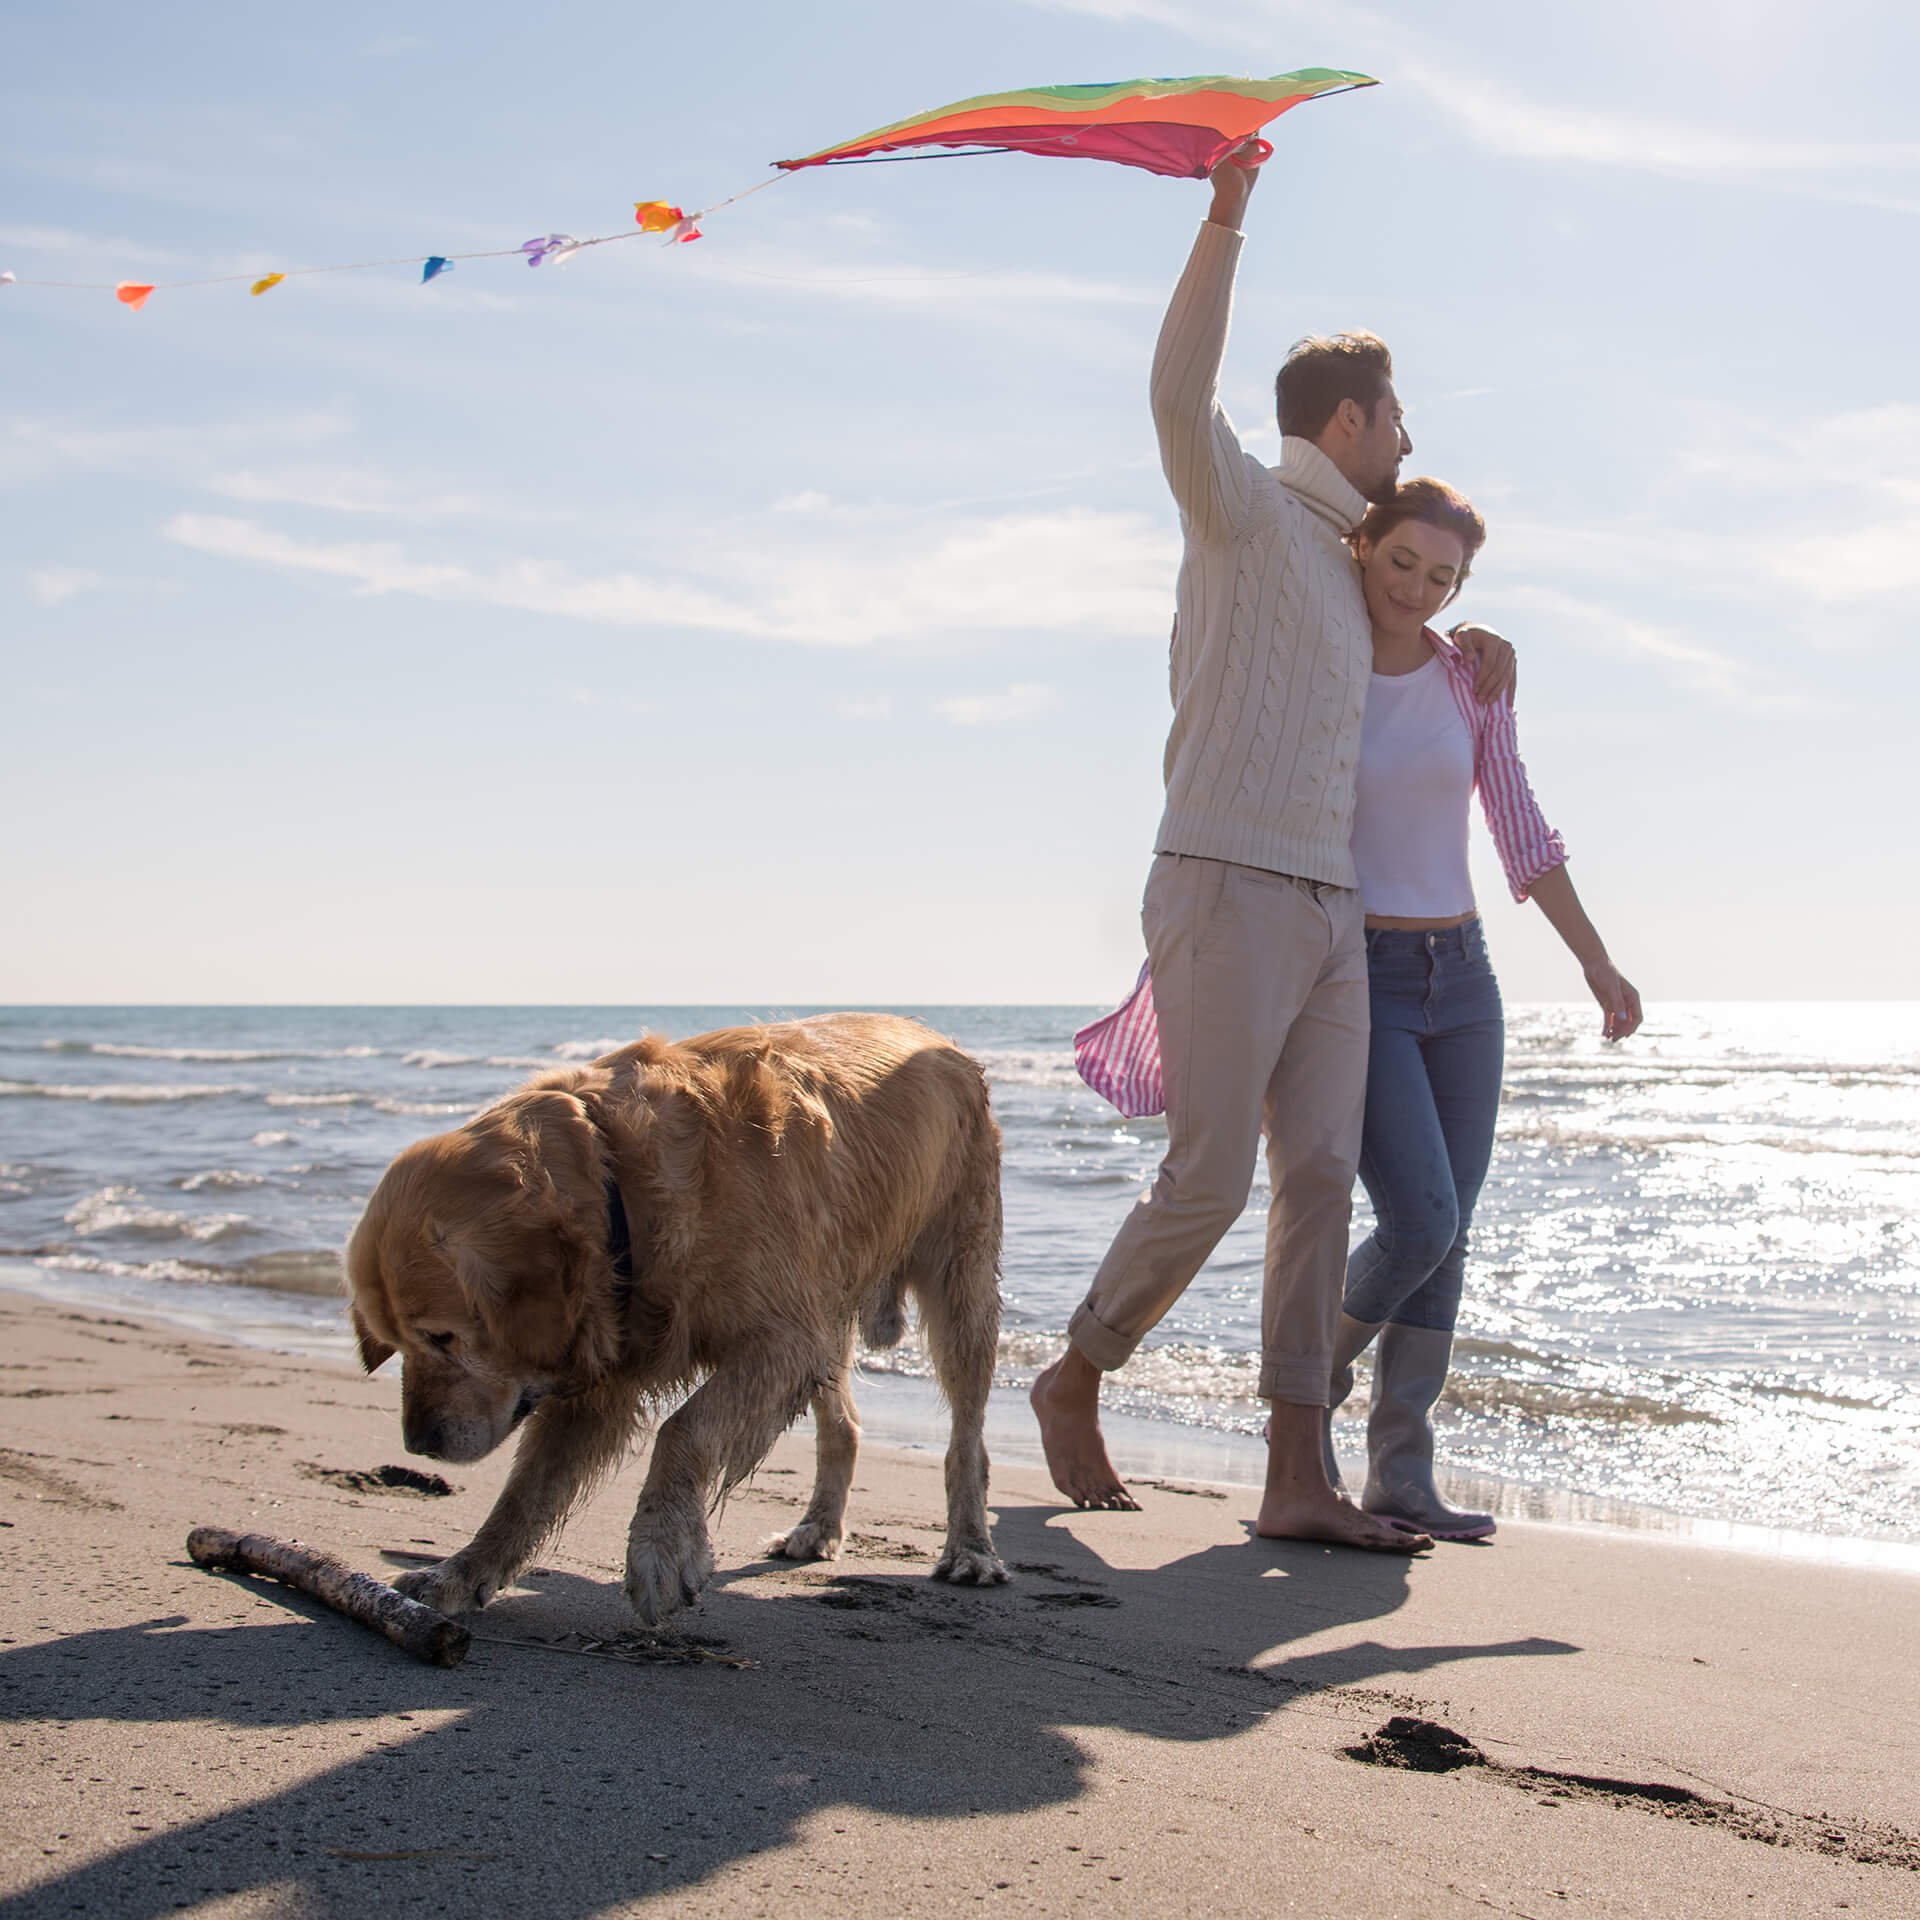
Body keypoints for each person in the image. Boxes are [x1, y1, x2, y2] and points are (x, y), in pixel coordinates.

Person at [1029, 143, 1512, 1551]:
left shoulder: (1366, 571)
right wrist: (1226, 216)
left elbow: (1424, 663)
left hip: (1335, 913)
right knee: (1214, 1175)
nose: (1410, 444)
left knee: (1315, 1181)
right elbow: (1176, 393)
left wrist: (1484, 648)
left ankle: (1296, 1478)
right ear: (1350, 418)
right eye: (1399, 421)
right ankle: (1080, 1367)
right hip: (1224, 882)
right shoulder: (1239, 508)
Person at [1328, 477, 1640, 1540]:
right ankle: (1300, 1398)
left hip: (1461, 980)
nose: (1417, 588)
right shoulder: (1317, 655)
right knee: (1421, 1217)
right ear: (1362, 546)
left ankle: (1401, 1475)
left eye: (1444, 576)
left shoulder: (1471, 679)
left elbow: (1519, 824)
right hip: (1355, 976)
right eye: (1402, 562)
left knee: (1448, 1236)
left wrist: (1596, 961)